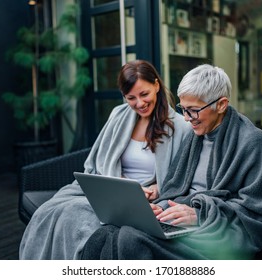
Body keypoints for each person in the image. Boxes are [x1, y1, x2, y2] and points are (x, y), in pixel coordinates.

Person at [80, 64, 262, 260]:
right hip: (180, 221)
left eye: (193, 110)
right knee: (105, 234)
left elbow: (257, 213)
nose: (186, 118)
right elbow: (175, 188)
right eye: (183, 109)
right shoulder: (196, 137)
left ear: (221, 105)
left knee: (130, 240)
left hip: (213, 232)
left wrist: (200, 215)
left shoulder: (252, 142)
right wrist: (159, 208)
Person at [19, 60, 190, 259]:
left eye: (144, 94)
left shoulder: (180, 127)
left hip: (147, 199)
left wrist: (155, 188)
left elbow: (181, 177)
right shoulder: (119, 115)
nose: (139, 104)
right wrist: (120, 183)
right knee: (50, 212)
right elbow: (97, 164)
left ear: (156, 85)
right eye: (131, 98)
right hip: (112, 189)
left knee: (77, 219)